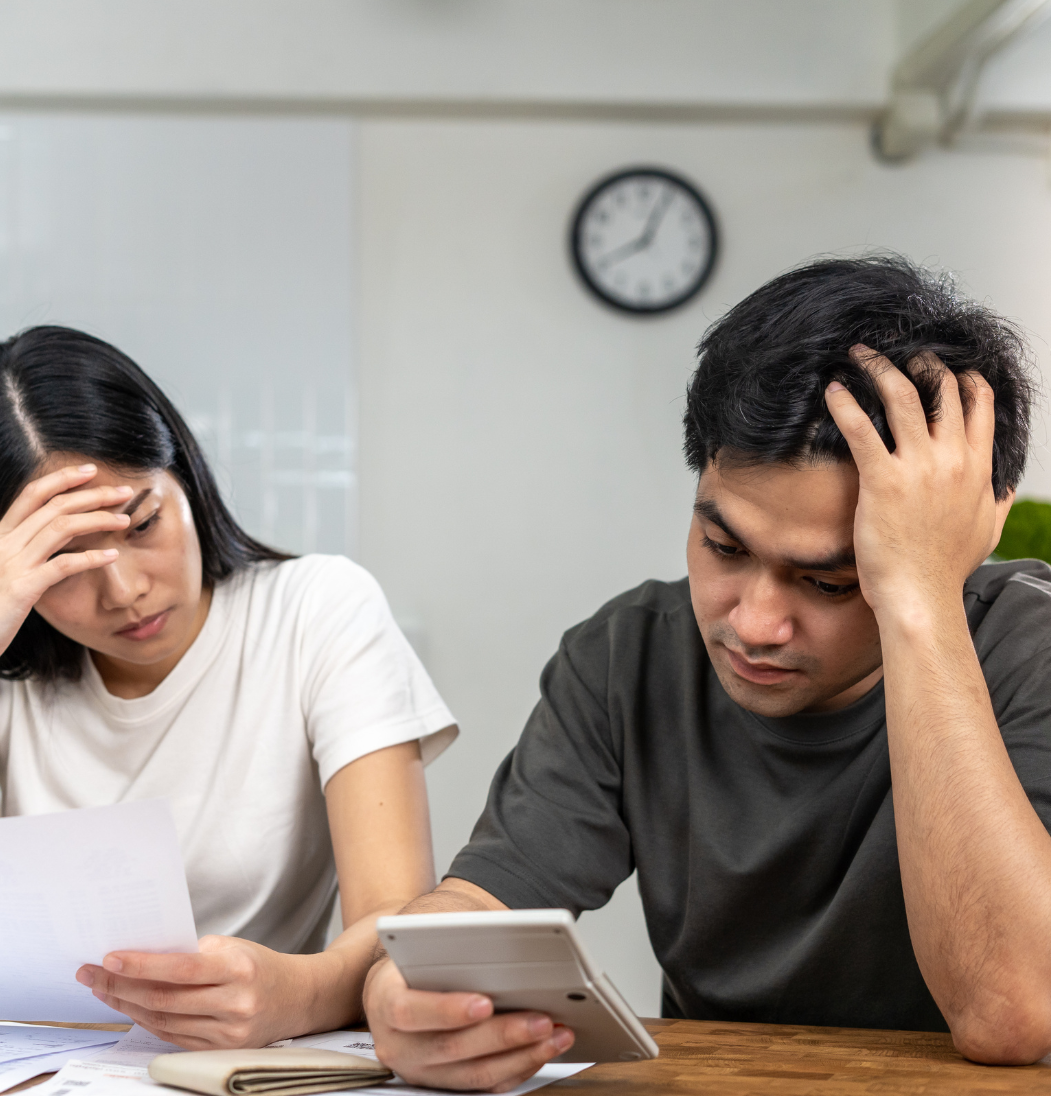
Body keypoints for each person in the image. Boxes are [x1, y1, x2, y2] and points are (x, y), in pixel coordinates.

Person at [363, 255, 1051, 1088]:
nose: (753, 624)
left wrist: (920, 600)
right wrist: (409, 991)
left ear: (967, 528)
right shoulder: (626, 657)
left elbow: (1015, 1011)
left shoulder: (1027, 648)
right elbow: (479, 907)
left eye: (835, 580)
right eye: (723, 547)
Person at [0, 326, 457, 1048]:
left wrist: (297, 995)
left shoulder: (318, 609)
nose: (123, 592)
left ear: (185, 473)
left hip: (252, 1066)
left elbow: (396, 924)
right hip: (45, 1063)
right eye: (62, 562)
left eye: (142, 521)